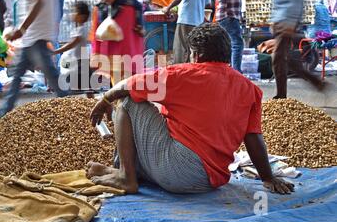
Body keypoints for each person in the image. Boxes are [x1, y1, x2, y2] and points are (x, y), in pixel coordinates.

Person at [87, 23, 295, 196]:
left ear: (196, 54)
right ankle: (121, 171)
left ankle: (126, 177)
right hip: (211, 181)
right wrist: (267, 178)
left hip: (178, 170)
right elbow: (253, 137)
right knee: (157, 120)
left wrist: (105, 99)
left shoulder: (182, 74)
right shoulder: (250, 89)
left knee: (128, 102)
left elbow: (129, 84)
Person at [163, 0, 212, 64]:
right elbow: (209, 4)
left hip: (185, 21)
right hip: (198, 23)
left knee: (181, 48)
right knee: (192, 49)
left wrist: (167, 8)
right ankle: (191, 69)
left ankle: (180, 71)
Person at [54, 1, 92, 90]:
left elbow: (71, 44)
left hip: (80, 63)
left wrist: (56, 51)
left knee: (81, 86)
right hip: (78, 62)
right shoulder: (78, 29)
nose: (72, 14)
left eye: (74, 11)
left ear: (82, 16)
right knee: (85, 86)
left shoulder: (81, 30)